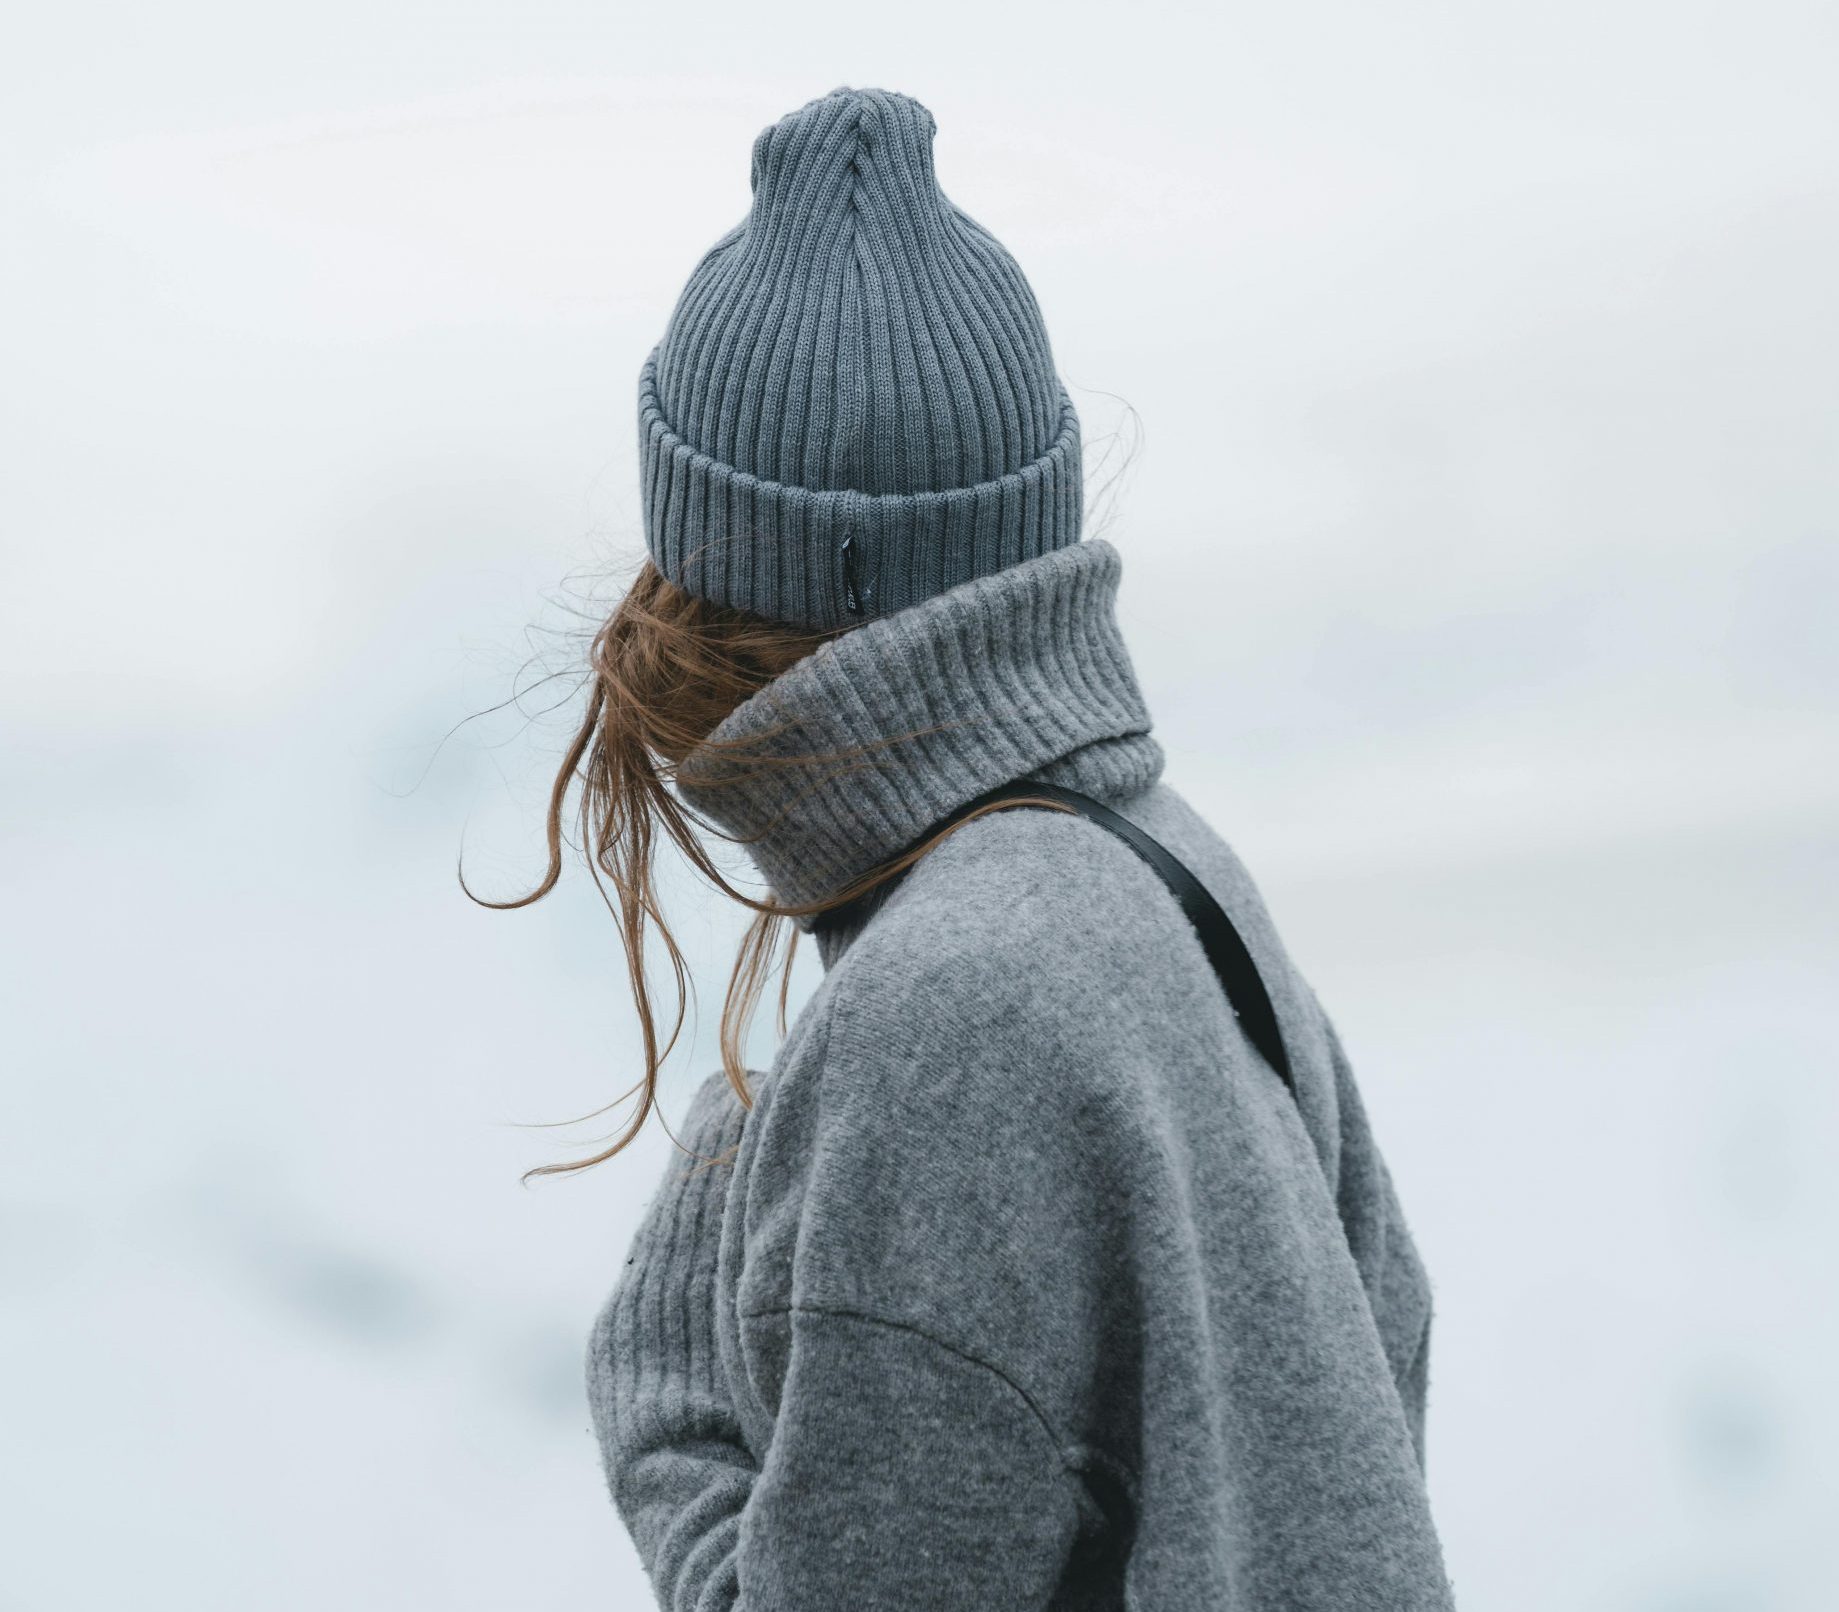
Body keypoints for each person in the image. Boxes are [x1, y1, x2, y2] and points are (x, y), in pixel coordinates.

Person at [508, 84, 1454, 1609]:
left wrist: (668, 1380)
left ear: (717, 571)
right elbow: (1380, 1353)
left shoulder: (951, 1004)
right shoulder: (1169, 866)